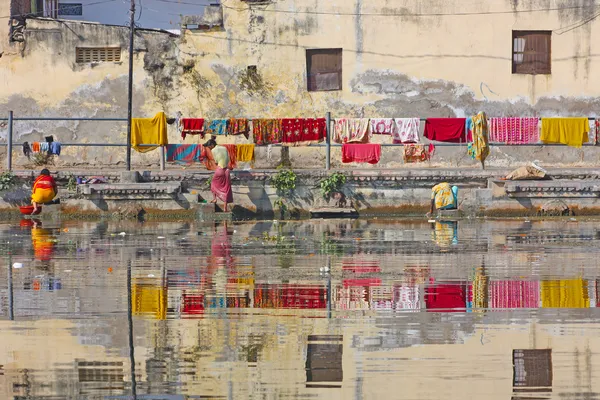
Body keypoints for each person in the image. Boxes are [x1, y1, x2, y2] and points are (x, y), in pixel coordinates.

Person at [203, 136, 233, 212]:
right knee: (226, 188)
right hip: (227, 170)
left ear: (212, 145)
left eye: (209, 147)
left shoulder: (214, 150)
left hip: (220, 169)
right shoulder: (224, 148)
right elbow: (228, 159)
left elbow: (216, 162)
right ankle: (225, 207)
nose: (209, 149)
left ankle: (215, 199)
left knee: (213, 184)